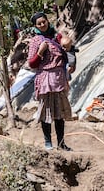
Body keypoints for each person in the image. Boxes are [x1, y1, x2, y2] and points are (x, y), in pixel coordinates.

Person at [27, 12, 72, 151]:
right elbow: (32, 64)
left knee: (59, 113)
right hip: (45, 79)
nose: (42, 24)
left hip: (58, 78)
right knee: (46, 112)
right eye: (39, 23)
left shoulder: (57, 37)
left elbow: (68, 51)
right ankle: (48, 142)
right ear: (35, 26)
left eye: (44, 21)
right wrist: (40, 52)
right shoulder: (36, 41)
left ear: (47, 21)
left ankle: (61, 143)